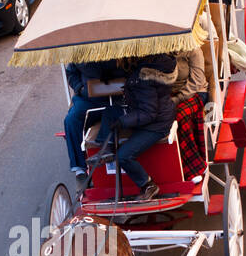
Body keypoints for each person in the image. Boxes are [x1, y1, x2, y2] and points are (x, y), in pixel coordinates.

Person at [92, 53, 178, 200]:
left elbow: (148, 113)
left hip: (155, 124)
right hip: (144, 112)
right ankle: (106, 148)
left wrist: (123, 122)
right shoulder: (150, 66)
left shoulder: (143, 77)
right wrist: (111, 73)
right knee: (110, 112)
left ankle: (148, 185)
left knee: (123, 156)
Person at [63, 59, 124, 177]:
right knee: (71, 120)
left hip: (118, 97)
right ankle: (79, 167)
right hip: (89, 99)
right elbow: (71, 72)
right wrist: (80, 88)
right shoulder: (80, 52)